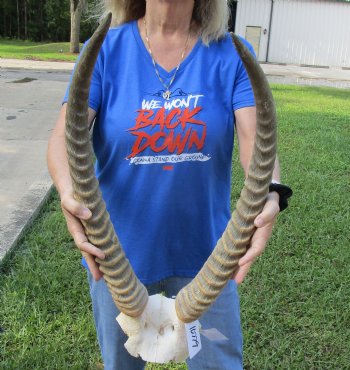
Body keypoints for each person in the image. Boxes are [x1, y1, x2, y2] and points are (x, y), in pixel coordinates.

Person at [47, 0, 284, 369]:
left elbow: (257, 144)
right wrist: (67, 192)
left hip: (209, 260)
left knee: (218, 358)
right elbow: (64, 138)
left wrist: (271, 190)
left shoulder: (229, 52)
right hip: (118, 260)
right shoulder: (108, 50)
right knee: (120, 362)